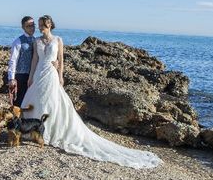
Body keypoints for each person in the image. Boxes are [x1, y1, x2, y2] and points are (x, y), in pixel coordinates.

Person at [20, 15, 162, 169]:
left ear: (50, 26)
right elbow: (34, 59)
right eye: (40, 25)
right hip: (39, 73)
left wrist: (60, 75)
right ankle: (34, 131)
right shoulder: (37, 41)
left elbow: (61, 60)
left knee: (52, 102)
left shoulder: (58, 40)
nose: (41, 28)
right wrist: (30, 77)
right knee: (38, 100)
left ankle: (50, 132)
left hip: (52, 74)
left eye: (44, 25)